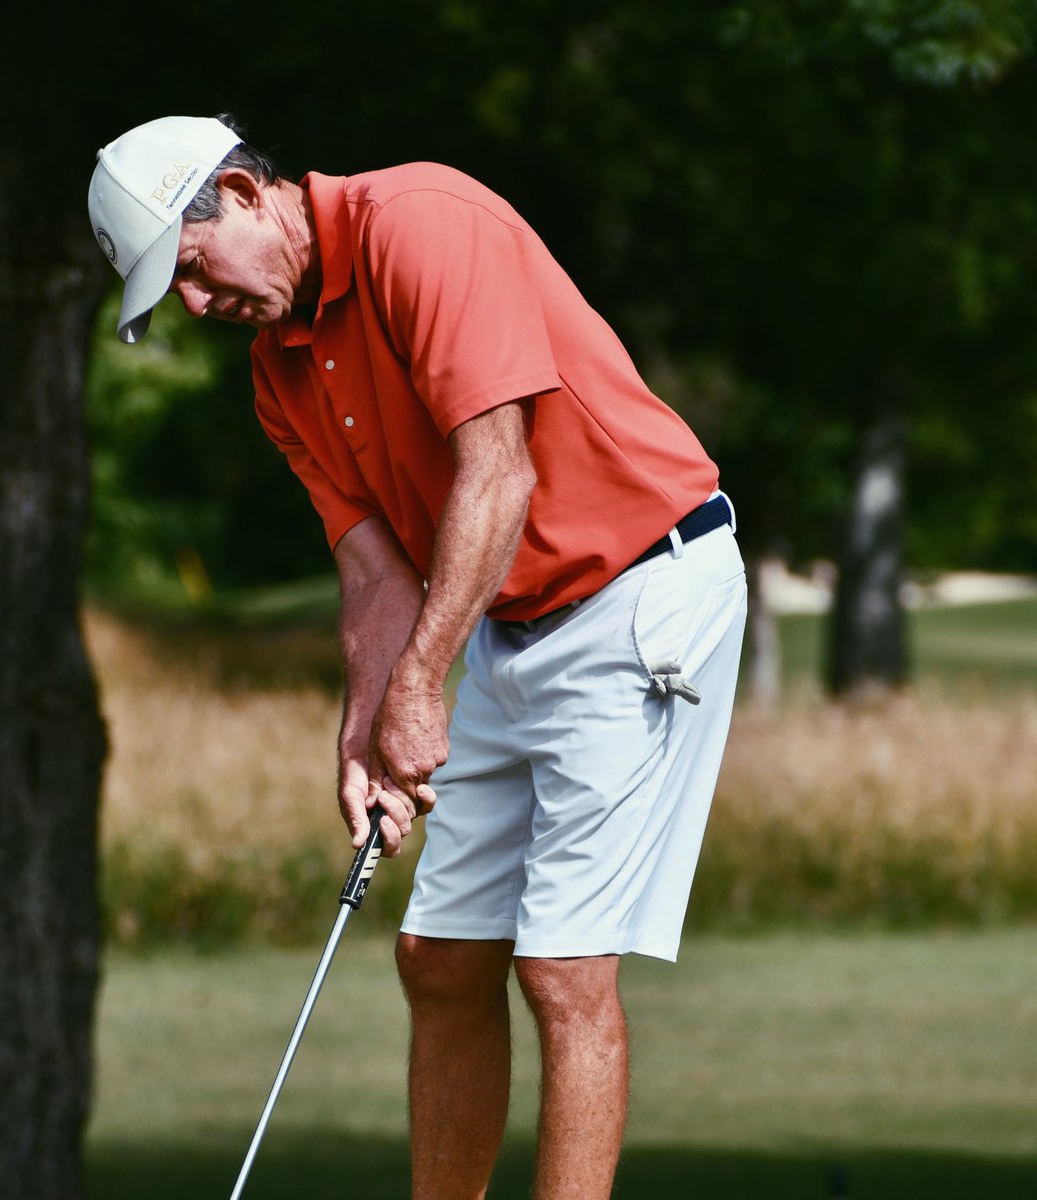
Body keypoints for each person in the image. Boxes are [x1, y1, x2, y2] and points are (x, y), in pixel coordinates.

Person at [88, 113, 747, 1200]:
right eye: (177, 294)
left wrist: (418, 691)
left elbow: (500, 477)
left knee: (562, 969)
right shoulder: (277, 372)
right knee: (436, 957)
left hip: (639, 590)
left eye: (194, 272)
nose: (198, 308)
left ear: (247, 195)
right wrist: (367, 733)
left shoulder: (421, 225)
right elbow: (379, 573)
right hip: (501, 614)